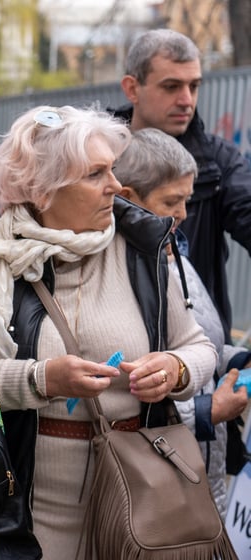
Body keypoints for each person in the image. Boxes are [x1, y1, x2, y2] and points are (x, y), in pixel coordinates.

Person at [0, 105, 217, 557]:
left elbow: (199, 347)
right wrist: (41, 380)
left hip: (140, 492)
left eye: (111, 169)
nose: (115, 185)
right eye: (96, 174)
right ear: (43, 188)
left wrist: (174, 369)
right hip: (28, 502)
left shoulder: (141, 251)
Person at [115, 127, 251, 519]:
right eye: (171, 201)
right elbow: (122, 387)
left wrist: (236, 360)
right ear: (127, 198)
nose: (184, 215)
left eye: (187, 200)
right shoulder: (118, 273)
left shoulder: (173, 250)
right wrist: (207, 411)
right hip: (155, 492)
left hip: (197, 473)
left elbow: (197, 340)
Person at [112, 29, 251, 344]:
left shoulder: (217, 162)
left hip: (197, 344)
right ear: (132, 88)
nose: (186, 100)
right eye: (172, 86)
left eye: (194, 86)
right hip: (111, 351)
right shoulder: (96, 156)